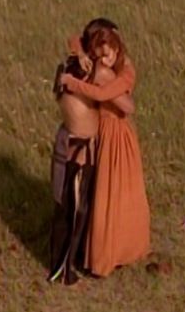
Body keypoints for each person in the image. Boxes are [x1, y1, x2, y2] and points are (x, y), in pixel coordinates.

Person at [61, 25, 151, 277]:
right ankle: (107, 250)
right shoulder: (103, 67)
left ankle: (115, 249)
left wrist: (73, 81)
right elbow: (74, 38)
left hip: (116, 134)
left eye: (108, 54)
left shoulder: (118, 69)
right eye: (99, 55)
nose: (104, 60)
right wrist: (81, 55)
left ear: (117, 48)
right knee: (107, 191)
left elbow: (123, 103)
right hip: (108, 132)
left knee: (115, 191)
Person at [48, 49, 134, 285]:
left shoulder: (73, 68)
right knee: (73, 212)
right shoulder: (88, 73)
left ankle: (71, 260)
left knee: (77, 209)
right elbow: (127, 105)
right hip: (76, 152)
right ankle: (61, 268)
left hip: (77, 149)